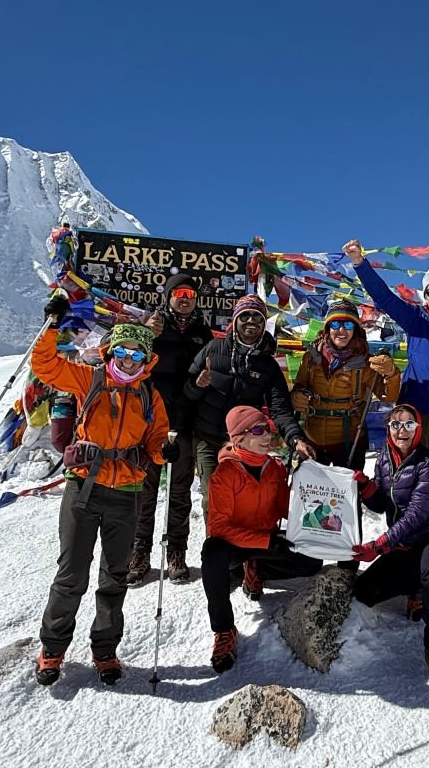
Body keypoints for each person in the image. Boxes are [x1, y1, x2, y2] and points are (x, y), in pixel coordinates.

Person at [28, 298, 176, 687]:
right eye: (123, 353)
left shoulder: (149, 396)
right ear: (112, 352)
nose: (129, 361)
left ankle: (105, 650)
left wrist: (164, 450)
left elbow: (156, 438)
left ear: (146, 360)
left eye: (137, 355)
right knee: (71, 574)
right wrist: (52, 326)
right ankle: (53, 649)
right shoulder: (87, 379)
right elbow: (44, 366)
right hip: (83, 488)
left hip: (127, 492)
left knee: (114, 577)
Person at [342, 239, 429, 595]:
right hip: (413, 419)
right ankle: (407, 567)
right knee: (405, 494)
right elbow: (384, 298)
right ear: (424, 295)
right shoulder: (415, 319)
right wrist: (360, 263)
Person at [183, 293, 314, 575]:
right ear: (235, 321)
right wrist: (198, 384)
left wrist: (295, 438)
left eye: (257, 316)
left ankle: (248, 557)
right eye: (245, 316)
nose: (251, 321)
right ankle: (220, 561)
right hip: (209, 437)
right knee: (212, 500)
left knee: (247, 501)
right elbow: (187, 391)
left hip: (245, 442)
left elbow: (279, 409)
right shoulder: (212, 349)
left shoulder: (267, 365)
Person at [201, 406, 324, 673]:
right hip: (236, 543)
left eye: (266, 428)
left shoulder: (275, 467)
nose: (266, 434)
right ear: (238, 439)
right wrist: (266, 543)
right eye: (257, 430)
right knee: (212, 554)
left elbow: (283, 510)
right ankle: (224, 631)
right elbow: (219, 528)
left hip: (265, 538)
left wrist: (309, 490)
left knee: (313, 561)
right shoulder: (224, 475)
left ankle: (257, 569)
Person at [351, 405, 429, 689]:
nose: (402, 430)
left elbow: (415, 516)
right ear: (388, 430)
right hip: (404, 545)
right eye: (396, 425)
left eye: (409, 425)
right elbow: (381, 503)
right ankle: (415, 586)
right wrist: (365, 487)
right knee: (363, 592)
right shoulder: (385, 460)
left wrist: (380, 545)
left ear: (418, 430)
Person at [128, 273, 215, 586]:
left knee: (179, 493)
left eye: (190, 293)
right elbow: (125, 361)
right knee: (145, 490)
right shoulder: (150, 326)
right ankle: (139, 553)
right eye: (178, 292)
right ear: (167, 296)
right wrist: (144, 336)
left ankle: (176, 552)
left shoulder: (202, 334)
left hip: (186, 423)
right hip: (151, 422)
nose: (184, 297)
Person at [290, 297, 401, 471]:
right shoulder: (310, 358)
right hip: (313, 442)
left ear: (355, 330)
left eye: (348, 325)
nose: (341, 330)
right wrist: (296, 396)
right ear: (327, 328)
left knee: (348, 496)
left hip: (350, 443)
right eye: (335, 324)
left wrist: (392, 374)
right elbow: (300, 386)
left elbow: (389, 396)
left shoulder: (366, 363)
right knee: (311, 496)